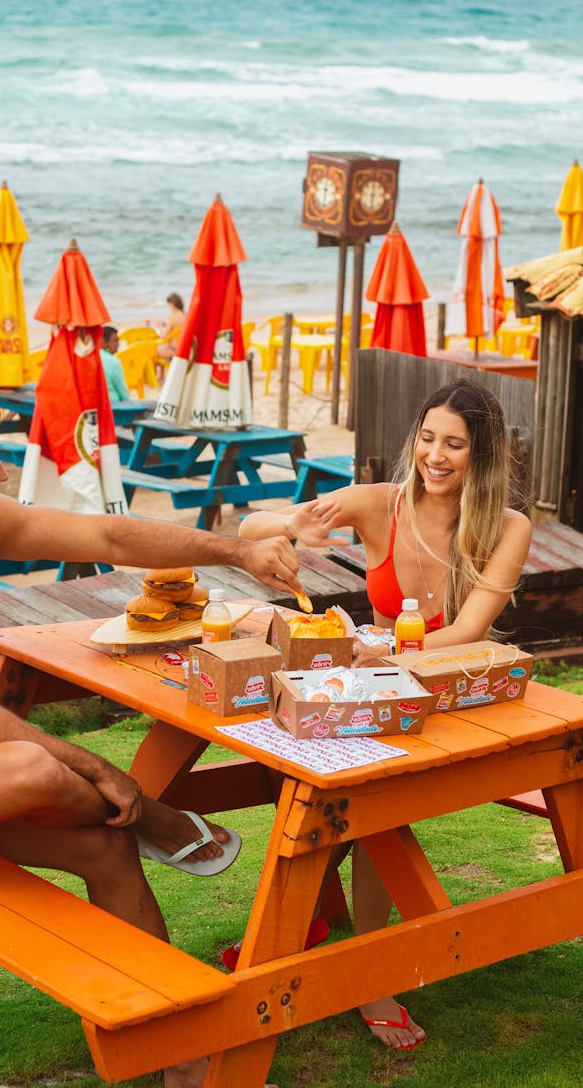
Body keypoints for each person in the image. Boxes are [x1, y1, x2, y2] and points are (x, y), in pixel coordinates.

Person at [0, 385, 300, 1088]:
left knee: (105, 845)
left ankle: (179, 1053)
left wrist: (238, 551)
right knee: (33, 765)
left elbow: (108, 538)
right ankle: (158, 816)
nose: (3, 476)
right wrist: (103, 771)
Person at [238, 378, 532, 1053]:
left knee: (366, 800)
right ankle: (314, 941)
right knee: (331, 793)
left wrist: (380, 649)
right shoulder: (380, 504)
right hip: (374, 694)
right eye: (427, 437)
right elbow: (248, 529)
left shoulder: (507, 527)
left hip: (451, 696)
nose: (434, 454)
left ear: (481, 455)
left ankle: (349, 962)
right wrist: (290, 528)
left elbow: (468, 631)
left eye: (454, 444)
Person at [100, 325, 131, 402]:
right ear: (104, 342)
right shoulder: (113, 362)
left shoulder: (89, 358)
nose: (118, 344)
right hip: (113, 405)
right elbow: (123, 393)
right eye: (115, 340)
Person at [156, 292, 185, 367]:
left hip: (174, 350)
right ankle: (161, 375)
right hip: (184, 348)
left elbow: (163, 336)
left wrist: (160, 326)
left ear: (172, 304)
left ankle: (161, 375)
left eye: (169, 305)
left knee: (154, 350)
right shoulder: (185, 315)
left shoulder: (172, 317)